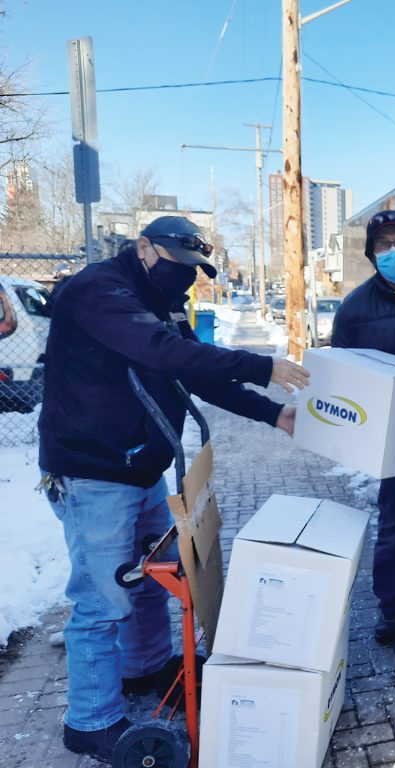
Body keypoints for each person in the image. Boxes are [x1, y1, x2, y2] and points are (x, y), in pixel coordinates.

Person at [37, 215, 310, 764]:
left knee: (149, 578)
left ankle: (146, 670)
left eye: (194, 271)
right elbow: (163, 353)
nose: (184, 279)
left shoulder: (154, 299)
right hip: (93, 473)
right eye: (177, 265)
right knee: (100, 599)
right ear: (143, 248)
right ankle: (89, 719)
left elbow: (199, 375)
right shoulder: (99, 291)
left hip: (140, 468)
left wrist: (272, 413)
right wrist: (263, 365)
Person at [331, 210, 395, 645]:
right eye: (383, 244)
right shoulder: (355, 309)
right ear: (371, 254)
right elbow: (342, 375)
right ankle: (392, 606)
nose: (394, 251)